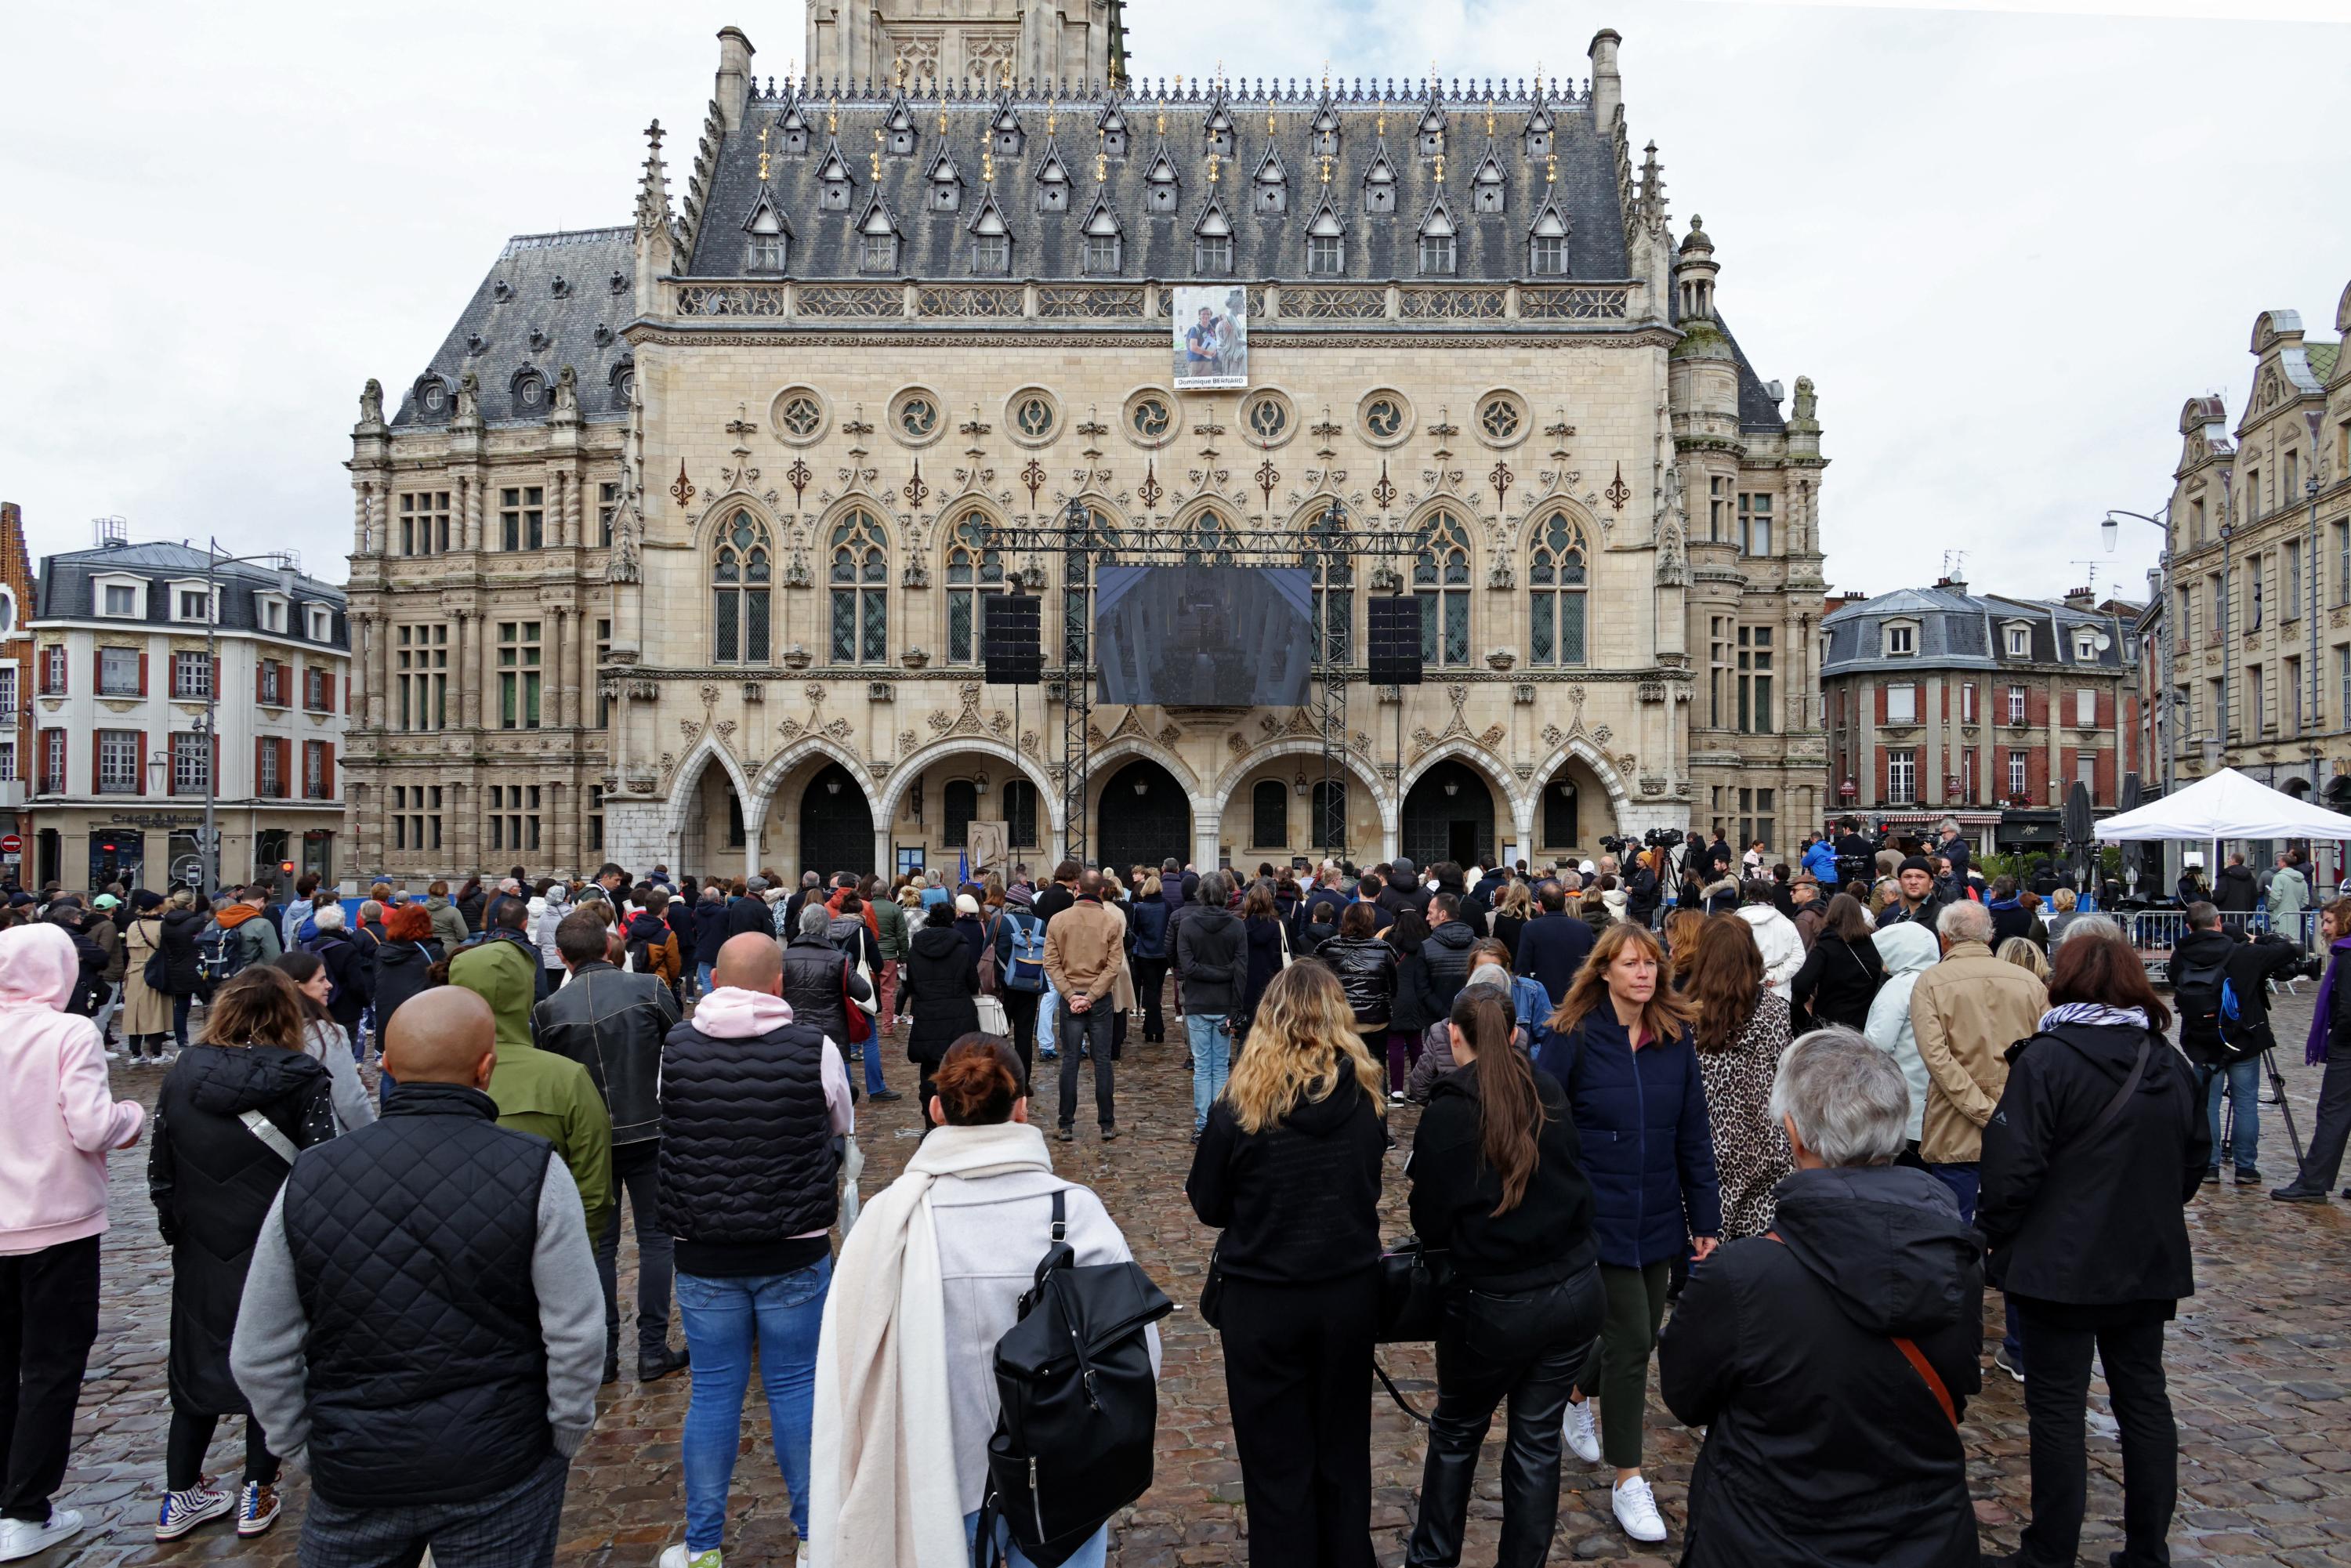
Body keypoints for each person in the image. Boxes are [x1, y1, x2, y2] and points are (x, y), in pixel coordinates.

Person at [230, 986, 603, 1568]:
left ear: (387, 1067)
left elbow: (258, 1349)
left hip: (363, 1460)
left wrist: (302, 1445)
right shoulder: (533, 1168)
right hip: (496, 1457)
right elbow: (577, 1330)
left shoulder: (312, 1173)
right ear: (487, 1068)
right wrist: (564, 1432)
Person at [806, 1036, 1157, 1568]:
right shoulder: (1078, 1213)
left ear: (935, 1109)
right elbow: (1138, 1354)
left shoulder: (887, 1222)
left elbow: (847, 1371)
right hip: (1064, 1478)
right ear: (1023, 1109)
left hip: (935, 1482)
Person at [1658, 1028, 1984, 1567]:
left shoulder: (1740, 1275)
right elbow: (1955, 1390)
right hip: (1922, 1538)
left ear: (1794, 1132)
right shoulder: (1959, 1258)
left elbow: (1686, 1395)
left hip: (1764, 1537)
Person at [1978, 928, 2208, 1568]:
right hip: (2143, 1258)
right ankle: (2146, 1549)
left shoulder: (2047, 1059)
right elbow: (2195, 1158)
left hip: (2060, 1261)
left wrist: (1999, 1230)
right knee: (2144, 1400)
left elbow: (2011, 1169)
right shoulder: (2167, 1059)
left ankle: (2051, 1550)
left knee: (2057, 1407)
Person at [656, 932, 852, 1568]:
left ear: (714, 982)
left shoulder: (677, 1045)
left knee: (714, 1393)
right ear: (778, 985)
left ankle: (705, 1545)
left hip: (706, 1245)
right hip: (790, 1243)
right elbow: (840, 1123)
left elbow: (673, 1113)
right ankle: (813, 1535)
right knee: (796, 1387)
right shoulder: (813, 1046)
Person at [1186, 964, 1386, 1568]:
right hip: (1346, 1293)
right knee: (1343, 1450)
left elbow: (1209, 1202)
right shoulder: (1366, 1100)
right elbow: (1368, 1187)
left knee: (1276, 1462)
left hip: (1265, 1300)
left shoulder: (1239, 1109)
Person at [1534, 922, 1719, 1546]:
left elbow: (1693, 1132)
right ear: (1605, 970)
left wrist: (1706, 1217)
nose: (1643, 972)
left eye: (1650, 963)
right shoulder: (1572, 1037)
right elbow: (1542, 1128)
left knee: (1624, 1330)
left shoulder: (1674, 1038)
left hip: (1659, 1212)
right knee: (1636, 1337)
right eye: (1630, 963)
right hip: (1598, 1215)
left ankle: (1576, 1390)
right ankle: (1627, 1476)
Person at [1405, 988, 1603, 1568]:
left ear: (1455, 1036)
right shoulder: (1545, 1090)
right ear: (1515, 1033)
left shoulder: (1452, 1112)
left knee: (1459, 1431)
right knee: (1536, 1442)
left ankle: (1433, 1559)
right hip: (1571, 1290)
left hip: (1498, 1302)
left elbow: (1431, 1219)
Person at [148, 967, 337, 1541]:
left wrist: (177, 1228)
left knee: (196, 1361)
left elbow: (162, 1164)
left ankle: (179, 1493)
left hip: (204, 1242)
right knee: (273, 1357)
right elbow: (321, 1166)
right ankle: (259, 1487)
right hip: (275, 1240)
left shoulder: (185, 1070)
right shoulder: (302, 1075)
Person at [0, 925, 146, 1563]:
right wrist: (133, 1118)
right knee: (52, 1366)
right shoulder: (68, 1032)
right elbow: (90, 1123)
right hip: (56, 1220)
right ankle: (26, 1507)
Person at [534, 908, 688, 1384]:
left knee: (602, 1246)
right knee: (654, 1240)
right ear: (607, 947)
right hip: (647, 1127)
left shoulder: (549, 1012)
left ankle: (608, 1355)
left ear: (561, 956)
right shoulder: (647, 989)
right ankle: (649, 1347)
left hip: (591, 1140)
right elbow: (678, 1046)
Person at [1909, 900, 2046, 1224]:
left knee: (1955, 1226)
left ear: (1944, 938)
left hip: (1957, 1122)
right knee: (2018, 1223)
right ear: (1989, 938)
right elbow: (2044, 1053)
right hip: (2018, 1118)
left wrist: (1982, 1109)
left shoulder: (1931, 981)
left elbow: (1936, 1058)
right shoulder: (2029, 983)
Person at [1686, 916, 1795, 1240]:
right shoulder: (1776, 1011)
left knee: (1702, 1247)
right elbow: (1783, 1077)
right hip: (1763, 1144)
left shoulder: (1683, 1015)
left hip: (1702, 1145)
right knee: (1753, 1259)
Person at [2272, 896, 2351, 1202]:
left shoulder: (2346, 957)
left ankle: (2313, 1182)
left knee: (2333, 1114)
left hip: (2348, 1047)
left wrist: (2337, 1039)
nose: (2326, 929)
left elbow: (2348, 1009)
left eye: (2330, 922)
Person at [1042, 870, 1128, 1143]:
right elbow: (1114, 966)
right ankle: (1107, 1124)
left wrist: (1071, 995)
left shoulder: (1058, 920)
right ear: (1102, 890)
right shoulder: (1110, 921)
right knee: (1101, 1061)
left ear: (1077, 888)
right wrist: (1090, 996)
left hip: (1075, 997)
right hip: (1096, 997)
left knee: (1070, 1060)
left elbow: (1051, 963)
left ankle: (1066, 1124)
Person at [1861, 921, 1942, 1168]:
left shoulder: (1899, 987)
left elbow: (1879, 1042)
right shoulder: (1940, 980)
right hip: (1936, 1092)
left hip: (1902, 1092)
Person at [270, 952, 376, 1135]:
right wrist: (373, 1136)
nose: (329, 985)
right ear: (297, 986)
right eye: (321, 980)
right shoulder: (325, 1034)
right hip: (326, 1139)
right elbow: (350, 1101)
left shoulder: (265, 1031)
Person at [1175, 871, 1245, 1139]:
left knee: (1205, 1068)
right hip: (1223, 1002)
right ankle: (1218, 1124)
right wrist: (1235, 1004)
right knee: (1218, 1067)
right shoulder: (1236, 926)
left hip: (1198, 1002)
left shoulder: (1189, 925)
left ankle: (1206, 1123)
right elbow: (1240, 970)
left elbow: (1189, 968)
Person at [898, 901, 981, 1124]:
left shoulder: (916, 949)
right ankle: (959, 1117)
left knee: (929, 1071)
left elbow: (911, 984)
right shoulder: (962, 948)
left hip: (928, 1015)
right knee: (961, 1069)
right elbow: (973, 984)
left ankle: (931, 1120)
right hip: (958, 1016)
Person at [1321, 902, 1399, 1100]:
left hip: (1341, 1022)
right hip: (1373, 1021)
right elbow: (1392, 987)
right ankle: (1377, 1118)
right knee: (1377, 1070)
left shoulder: (1328, 948)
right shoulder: (1383, 950)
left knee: (1337, 1071)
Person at [1788, 893, 1882, 1031]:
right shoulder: (1872, 947)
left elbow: (1800, 985)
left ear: (1831, 913)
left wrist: (1803, 1014)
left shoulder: (1826, 947)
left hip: (1829, 1022)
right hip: (1864, 1022)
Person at [369, 903, 444, 1058]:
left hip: (388, 1022)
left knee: (391, 1073)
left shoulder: (381, 951)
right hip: (421, 1024)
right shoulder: (433, 952)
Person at [1731, 878, 1803, 1000]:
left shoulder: (1733, 924)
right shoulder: (1786, 923)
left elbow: (1726, 957)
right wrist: (1774, 976)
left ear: (1747, 896)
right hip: (1777, 995)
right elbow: (1798, 956)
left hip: (1741, 992)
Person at [157, 889, 206, 1056]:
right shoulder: (196, 921)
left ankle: (182, 1043)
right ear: (191, 905)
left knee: (181, 1007)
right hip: (196, 967)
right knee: (210, 1004)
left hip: (176, 967)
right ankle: (211, 1039)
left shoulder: (165, 923)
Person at [1128, 872, 1172, 1042]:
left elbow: (1136, 930)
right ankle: (1154, 1029)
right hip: (1162, 954)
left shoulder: (1140, 908)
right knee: (1155, 989)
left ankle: (1153, 1029)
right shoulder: (1166, 906)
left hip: (1146, 954)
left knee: (1151, 989)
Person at [1878, 856, 1951, 931]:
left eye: (1920, 877)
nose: (1913, 882)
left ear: (1931, 883)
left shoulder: (1944, 916)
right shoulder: (1897, 919)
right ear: (1900, 883)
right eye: (1908, 877)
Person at [2269, 853, 2310, 943]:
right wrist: (2296, 906)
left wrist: (2270, 908)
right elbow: (2305, 899)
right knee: (2294, 941)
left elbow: (2275, 898)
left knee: (2281, 941)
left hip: (2280, 914)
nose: (2277, 863)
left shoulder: (2279, 877)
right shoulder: (2301, 879)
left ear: (2284, 863)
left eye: (2279, 861)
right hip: (2295, 914)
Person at [2212, 850, 2259, 915]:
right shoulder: (2251, 878)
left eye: (2229, 859)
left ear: (2233, 860)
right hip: (2244, 915)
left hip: (2226, 914)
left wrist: (2213, 904)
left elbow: (2219, 895)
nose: (2227, 861)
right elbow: (2254, 896)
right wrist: (2249, 913)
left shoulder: (2225, 876)